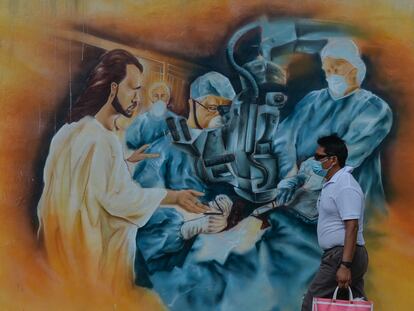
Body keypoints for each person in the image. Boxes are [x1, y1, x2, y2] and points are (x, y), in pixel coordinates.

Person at [36, 49, 210, 293]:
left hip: (59, 252)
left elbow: (89, 182)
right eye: (133, 89)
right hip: (93, 262)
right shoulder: (102, 140)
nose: (138, 98)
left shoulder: (70, 131)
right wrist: (172, 196)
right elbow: (118, 199)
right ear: (113, 88)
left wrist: (125, 163)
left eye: (141, 90)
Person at [275, 38, 393, 220]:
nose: (331, 74)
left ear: (354, 67)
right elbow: (283, 138)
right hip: (304, 207)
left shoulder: (374, 108)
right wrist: (288, 174)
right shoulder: (312, 100)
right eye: (327, 70)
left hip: (352, 211)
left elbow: (345, 154)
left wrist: (300, 178)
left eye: (336, 67)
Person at [301, 135, 369, 310]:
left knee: (311, 304)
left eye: (318, 157)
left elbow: (352, 226)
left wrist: (345, 265)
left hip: (341, 255)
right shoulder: (332, 184)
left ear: (333, 160)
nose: (313, 161)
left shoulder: (345, 185)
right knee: (351, 305)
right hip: (341, 254)